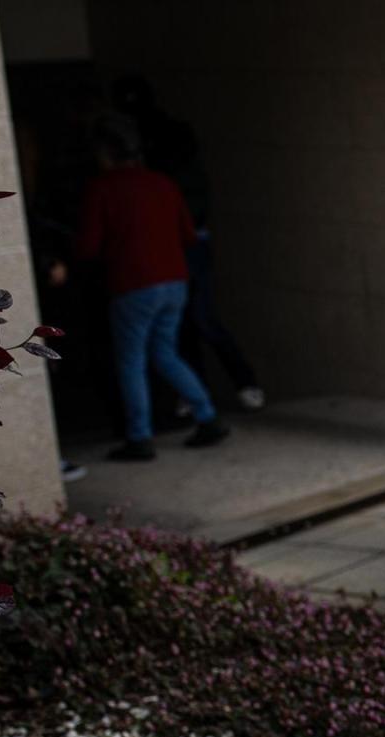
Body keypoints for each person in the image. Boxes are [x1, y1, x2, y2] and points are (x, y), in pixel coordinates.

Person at [73, 115, 229, 461]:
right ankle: (207, 415)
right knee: (165, 352)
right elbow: (188, 235)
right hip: (174, 280)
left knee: (131, 362)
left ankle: (140, 437)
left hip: (133, 284)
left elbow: (87, 247)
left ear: (105, 155)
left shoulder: (102, 189)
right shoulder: (162, 183)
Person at [113, 76, 265, 411]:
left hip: (184, 244)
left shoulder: (167, 157)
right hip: (176, 247)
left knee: (199, 320)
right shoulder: (155, 161)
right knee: (184, 323)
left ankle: (235, 384)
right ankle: (199, 393)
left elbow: (190, 211)